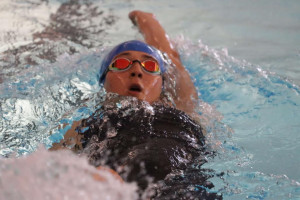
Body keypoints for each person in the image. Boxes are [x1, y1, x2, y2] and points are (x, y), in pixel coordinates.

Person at [51, 10, 222, 199]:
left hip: (181, 184)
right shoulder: (87, 125)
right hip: (114, 184)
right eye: (122, 63)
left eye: (150, 66)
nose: (136, 71)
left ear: (163, 83)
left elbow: (172, 59)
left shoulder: (181, 107)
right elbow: (49, 167)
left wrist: (145, 19)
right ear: (104, 80)